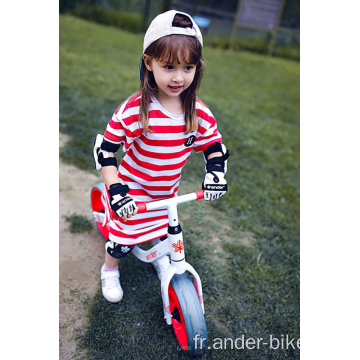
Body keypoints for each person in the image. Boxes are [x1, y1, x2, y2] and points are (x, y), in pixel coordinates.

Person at [93, 10, 230, 303]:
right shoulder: (136, 109)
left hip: (167, 191)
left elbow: (213, 146)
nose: (179, 77)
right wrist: (116, 191)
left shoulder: (199, 112)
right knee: (122, 240)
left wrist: (215, 173)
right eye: (169, 66)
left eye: (188, 67)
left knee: (166, 233)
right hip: (133, 191)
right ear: (149, 62)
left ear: (198, 68)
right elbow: (106, 151)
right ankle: (109, 269)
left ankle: (158, 256)